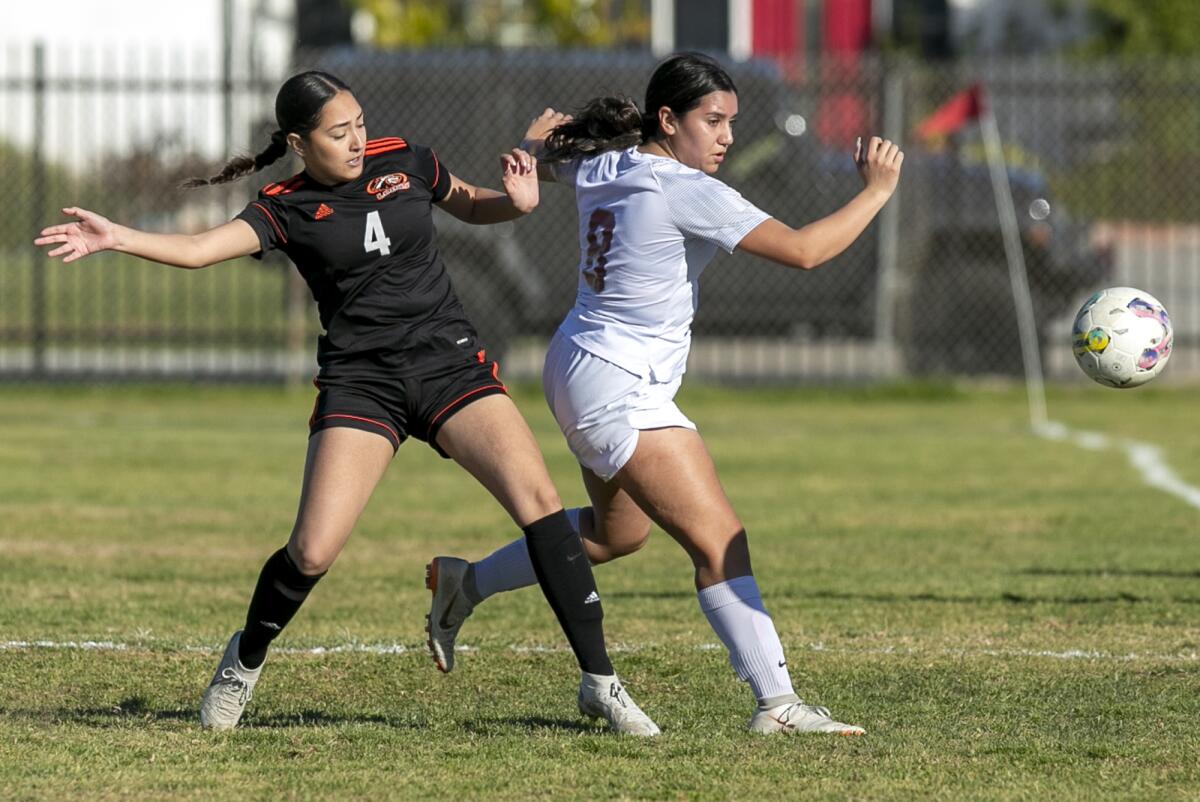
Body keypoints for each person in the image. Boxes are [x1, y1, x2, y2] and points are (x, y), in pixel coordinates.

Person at [34, 70, 659, 736]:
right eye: (338, 132)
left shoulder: (407, 160)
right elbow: (197, 248)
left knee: (540, 508)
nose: (357, 139)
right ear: (301, 144)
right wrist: (118, 237)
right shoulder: (285, 205)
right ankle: (242, 662)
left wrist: (518, 200)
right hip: (363, 383)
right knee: (311, 551)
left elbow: (475, 205)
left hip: (450, 363)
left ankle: (600, 683)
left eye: (359, 122)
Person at [424, 53, 902, 736]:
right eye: (713, 120)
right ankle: (778, 706)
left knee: (618, 534)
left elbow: (548, 165)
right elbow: (804, 251)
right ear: (669, 119)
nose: (727, 136)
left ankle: (464, 583)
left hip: (580, 363)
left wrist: (534, 145)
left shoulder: (609, 163)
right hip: (620, 382)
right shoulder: (682, 187)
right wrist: (877, 190)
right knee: (719, 543)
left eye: (732, 122)